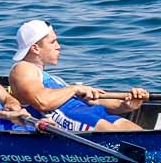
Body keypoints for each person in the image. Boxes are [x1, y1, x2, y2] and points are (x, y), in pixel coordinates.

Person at [8, 20, 146, 131]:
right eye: (52, 42)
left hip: (89, 111)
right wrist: (74, 88)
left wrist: (127, 105)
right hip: (69, 116)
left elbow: (94, 101)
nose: (58, 46)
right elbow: (42, 102)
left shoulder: (56, 80)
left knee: (138, 133)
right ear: (35, 48)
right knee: (128, 139)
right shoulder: (22, 68)